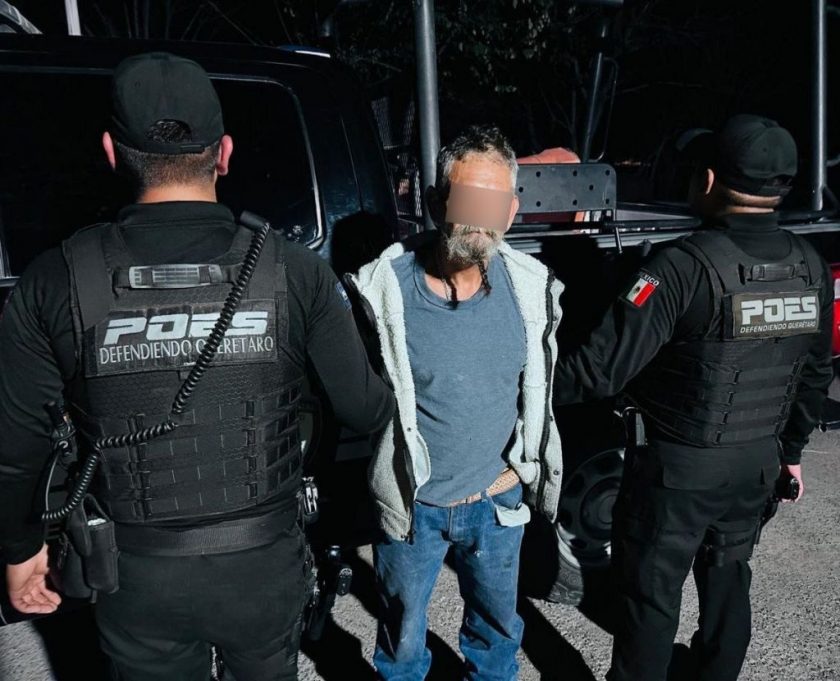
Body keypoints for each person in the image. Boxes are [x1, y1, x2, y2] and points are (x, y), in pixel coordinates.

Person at [0, 52, 394, 681]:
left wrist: (20, 551)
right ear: (225, 154)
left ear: (111, 153)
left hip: (133, 573)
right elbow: (365, 410)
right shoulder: (295, 270)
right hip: (263, 565)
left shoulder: (54, 278)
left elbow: (16, 449)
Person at [554, 114, 833, 681]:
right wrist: (791, 453)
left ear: (707, 179)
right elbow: (815, 371)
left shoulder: (680, 267)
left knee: (650, 598)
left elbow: (599, 372)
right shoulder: (810, 265)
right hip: (757, 464)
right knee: (729, 581)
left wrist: (519, 384)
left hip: (677, 469)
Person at [346, 124, 564, 680]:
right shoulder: (383, 290)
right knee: (401, 646)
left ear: (510, 212)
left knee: (497, 639)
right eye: (467, 200)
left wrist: (520, 470)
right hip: (413, 506)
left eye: (493, 204)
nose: (479, 219)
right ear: (435, 202)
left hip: (495, 504)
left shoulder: (531, 288)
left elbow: (537, 395)